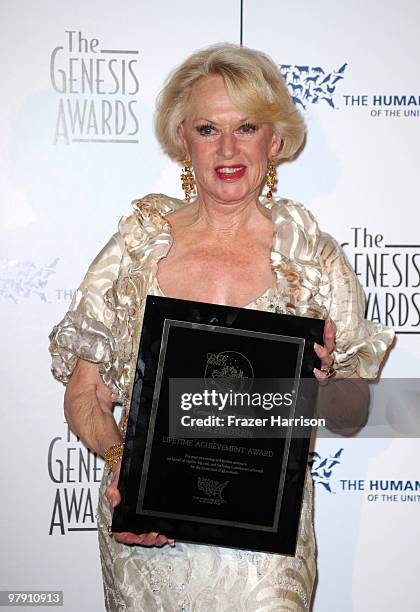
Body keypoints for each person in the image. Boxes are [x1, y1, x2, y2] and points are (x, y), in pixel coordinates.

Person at [49, 43, 394, 611]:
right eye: (209, 128)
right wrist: (124, 471)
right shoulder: (136, 248)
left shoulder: (312, 258)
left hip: (265, 557)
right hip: (149, 548)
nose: (228, 149)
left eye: (247, 127)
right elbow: (85, 396)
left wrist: (324, 382)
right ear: (183, 139)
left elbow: (352, 412)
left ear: (275, 141)